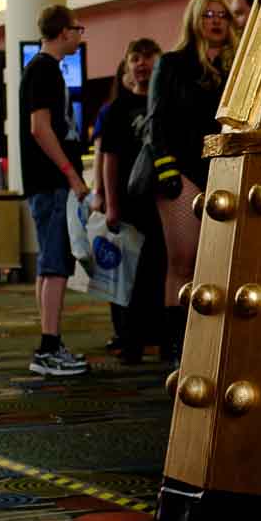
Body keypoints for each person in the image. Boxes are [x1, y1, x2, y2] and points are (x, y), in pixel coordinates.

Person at [149, 0, 236, 355]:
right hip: (181, 169)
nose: (216, 21)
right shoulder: (172, 63)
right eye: (208, 15)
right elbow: (157, 122)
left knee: (221, 262)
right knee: (183, 261)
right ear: (194, 21)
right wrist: (166, 169)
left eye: (222, 15)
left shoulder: (240, 64)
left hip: (226, 168)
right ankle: (177, 345)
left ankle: (212, 342)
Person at [20, 4, 92, 377]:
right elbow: (41, 127)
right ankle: (48, 348)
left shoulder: (42, 69)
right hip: (51, 182)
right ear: (64, 31)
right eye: (78, 29)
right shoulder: (45, 69)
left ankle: (50, 342)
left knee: (49, 265)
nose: (82, 36)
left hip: (45, 182)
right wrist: (72, 176)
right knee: (56, 265)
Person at [97, 38, 166, 363]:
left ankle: (164, 338)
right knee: (128, 274)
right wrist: (110, 203)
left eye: (148, 58)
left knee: (161, 269)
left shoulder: (165, 103)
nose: (142, 64)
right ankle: (130, 340)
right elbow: (108, 159)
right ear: (127, 65)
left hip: (164, 199)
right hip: (128, 201)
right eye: (135, 58)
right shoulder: (116, 110)